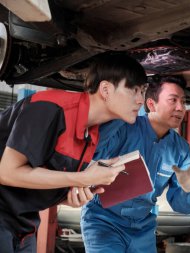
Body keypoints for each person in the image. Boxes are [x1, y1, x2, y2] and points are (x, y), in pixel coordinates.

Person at [0, 53, 148, 253]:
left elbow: (41, 178)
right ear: (106, 89)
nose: (141, 100)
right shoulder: (48, 109)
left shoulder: (91, 135)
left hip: (23, 221)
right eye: (134, 90)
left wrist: (67, 198)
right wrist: (81, 177)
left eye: (143, 91)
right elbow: (7, 173)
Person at [81, 75, 190, 253]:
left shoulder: (181, 149)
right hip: (104, 221)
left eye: (183, 102)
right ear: (151, 104)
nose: (180, 108)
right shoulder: (124, 126)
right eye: (173, 100)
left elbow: (182, 206)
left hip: (143, 229)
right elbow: (94, 150)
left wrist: (188, 188)